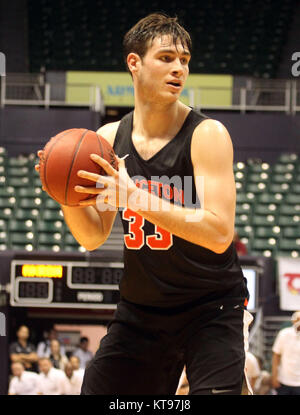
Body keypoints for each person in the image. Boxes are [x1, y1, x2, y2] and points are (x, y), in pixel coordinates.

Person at [36, 13, 251, 395]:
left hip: (212, 308)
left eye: (184, 60)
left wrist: (134, 195)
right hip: (142, 311)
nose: (179, 68)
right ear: (134, 63)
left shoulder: (207, 134)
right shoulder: (106, 139)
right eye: (166, 58)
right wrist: (66, 197)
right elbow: (93, 236)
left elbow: (220, 234)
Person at [271, 310, 300, 395]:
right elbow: (276, 356)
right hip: (284, 380)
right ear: (293, 320)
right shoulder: (284, 334)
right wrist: (274, 376)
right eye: (297, 319)